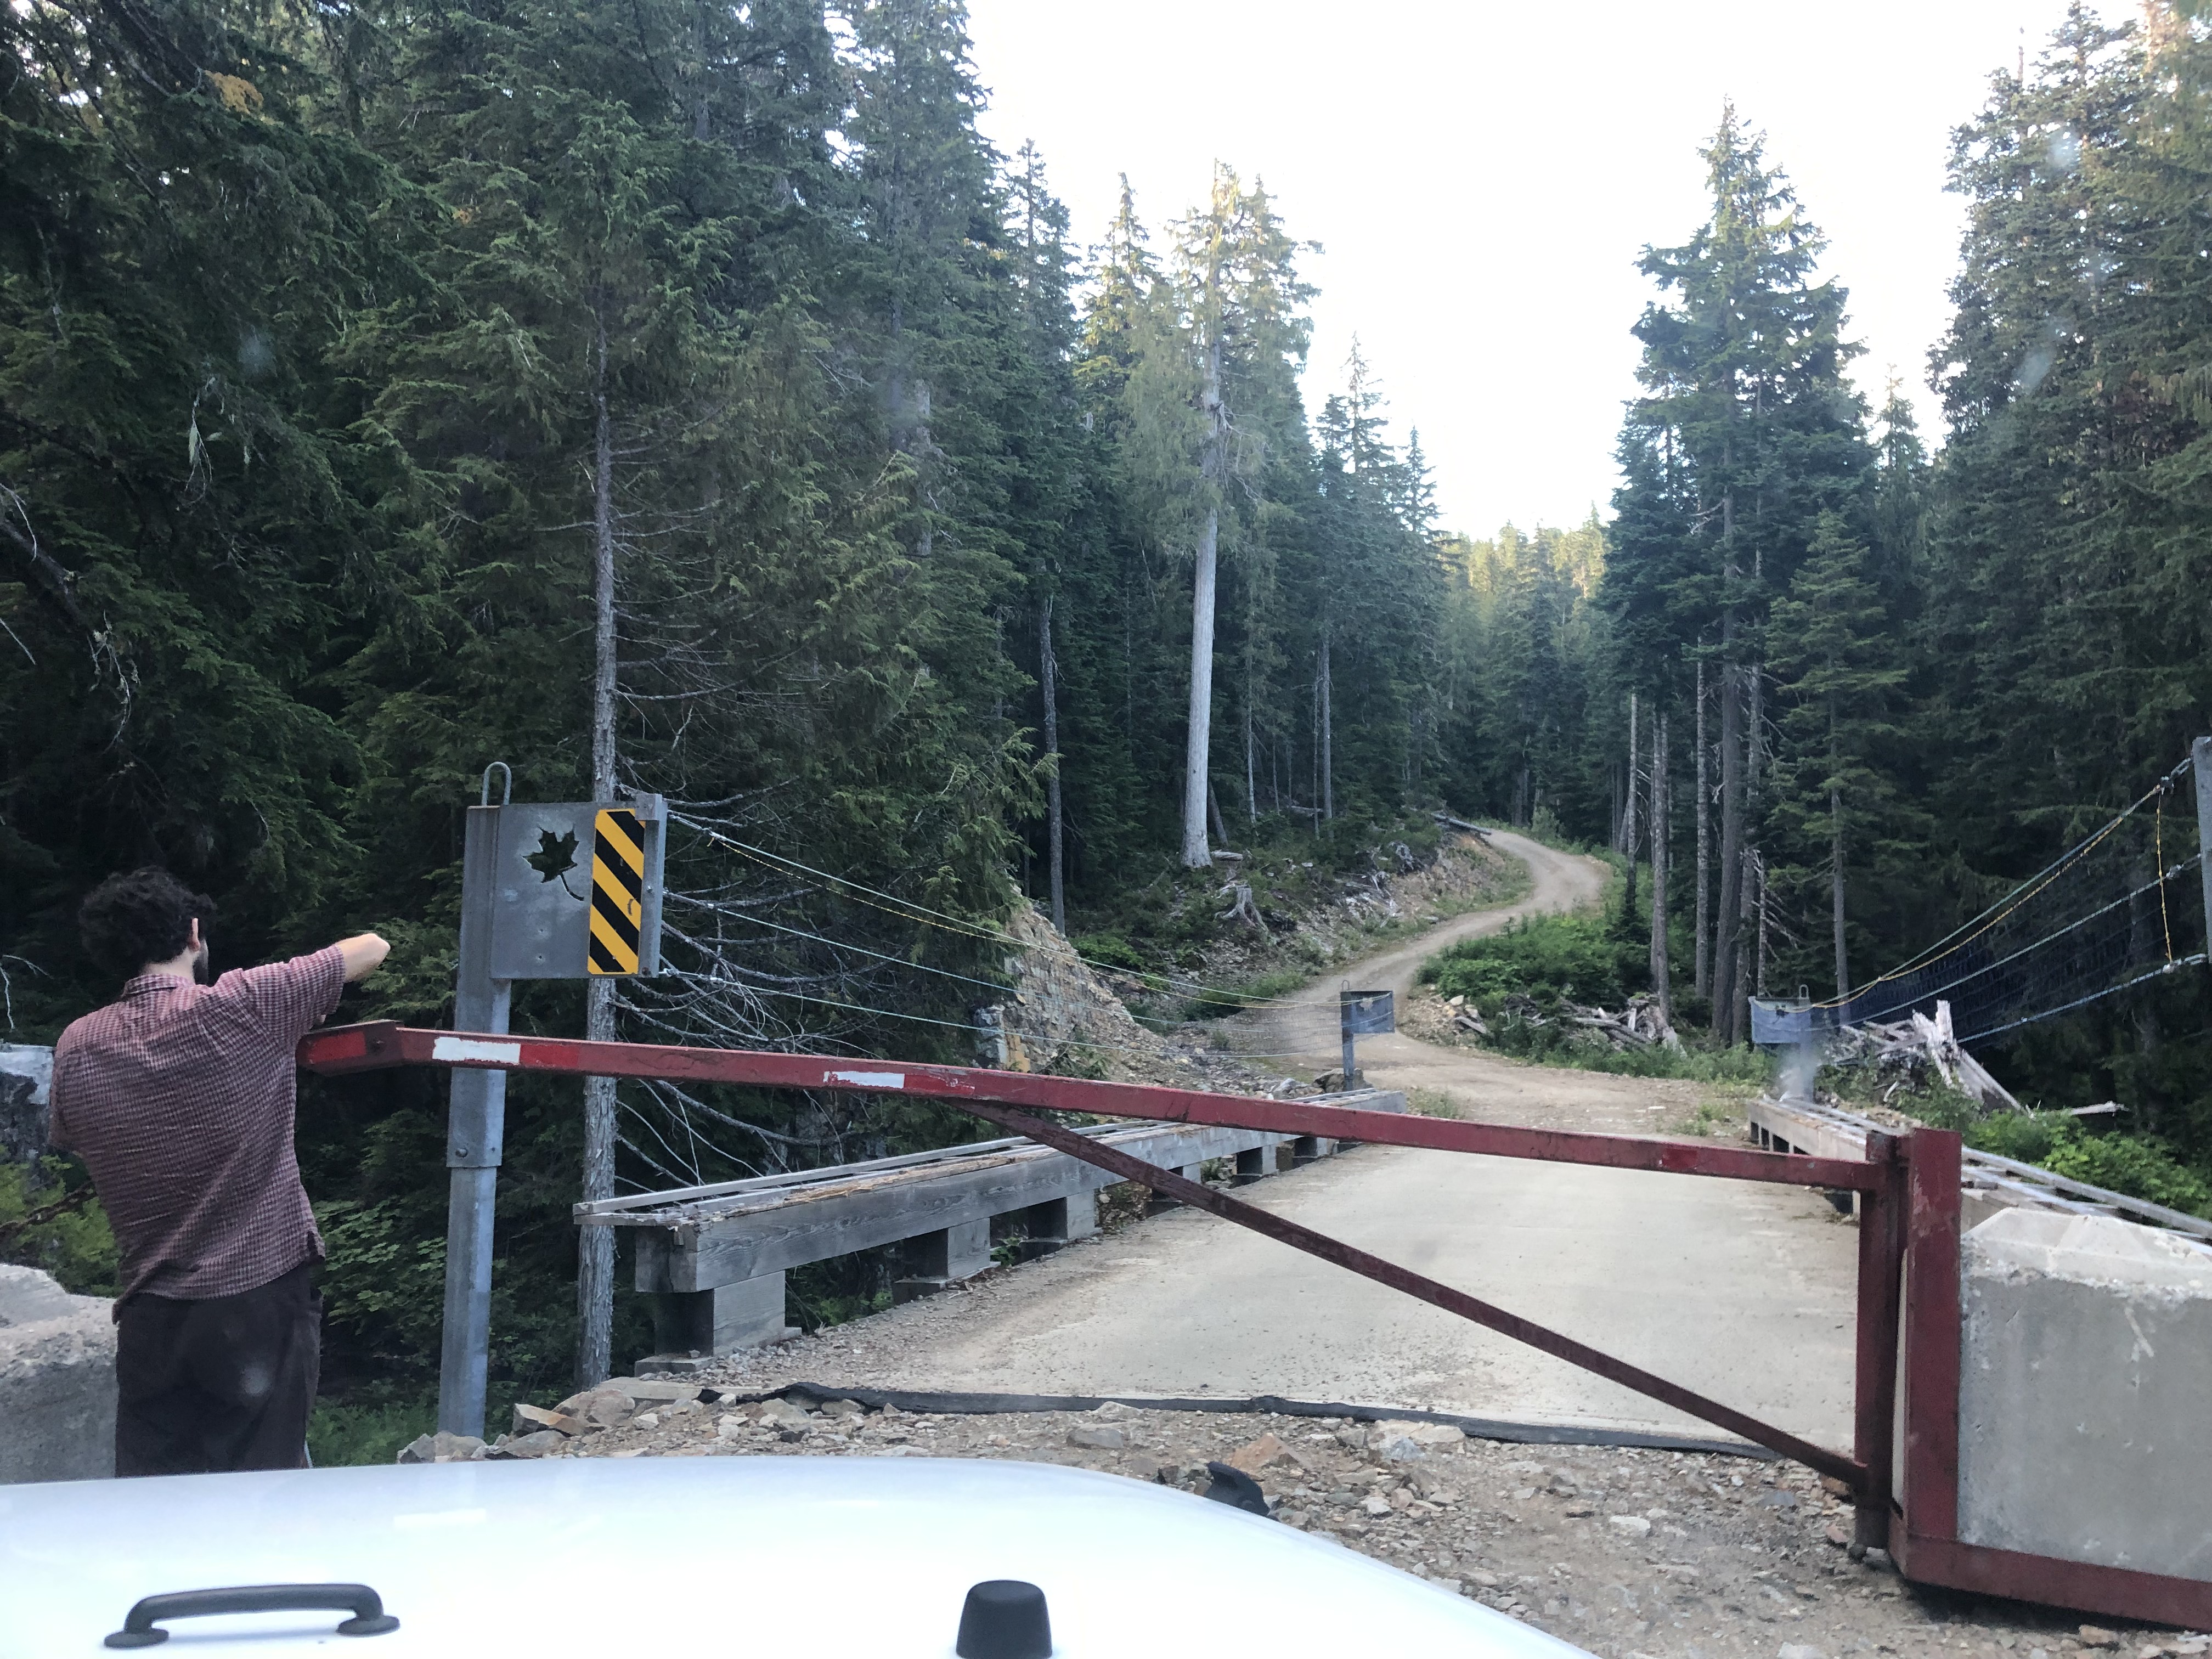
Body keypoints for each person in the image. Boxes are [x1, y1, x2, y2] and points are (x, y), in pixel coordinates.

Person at [49, 867, 389, 1477]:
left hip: (150, 1314)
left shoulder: (77, 1043)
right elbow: (371, 948)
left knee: (153, 1504)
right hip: (255, 1301)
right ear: (193, 933)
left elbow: (72, 1137)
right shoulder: (244, 1004)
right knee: (259, 1496)